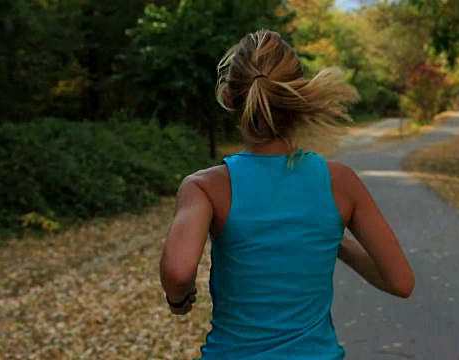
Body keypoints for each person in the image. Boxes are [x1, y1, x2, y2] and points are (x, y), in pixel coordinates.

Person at [160, 29, 415, 359]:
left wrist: (178, 300)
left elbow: (179, 271)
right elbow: (400, 282)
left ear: (229, 99)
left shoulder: (205, 187)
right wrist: (338, 244)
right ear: (298, 97)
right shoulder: (341, 182)